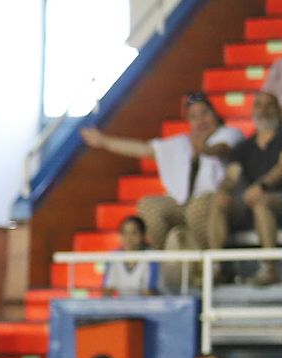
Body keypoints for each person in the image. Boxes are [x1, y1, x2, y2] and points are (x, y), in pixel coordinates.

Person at [82, 93, 242, 250]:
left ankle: (205, 266)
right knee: (148, 205)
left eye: (204, 113)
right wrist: (103, 141)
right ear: (189, 121)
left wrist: (204, 149)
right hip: (183, 204)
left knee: (197, 208)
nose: (201, 120)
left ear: (214, 114)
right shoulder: (181, 142)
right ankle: (165, 262)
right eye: (194, 116)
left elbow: (221, 149)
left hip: (218, 201)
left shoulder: (229, 133)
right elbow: (143, 150)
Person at [212, 91, 282, 285]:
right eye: (258, 105)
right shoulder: (244, 146)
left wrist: (261, 186)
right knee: (220, 201)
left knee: (262, 202)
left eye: (269, 105)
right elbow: (233, 174)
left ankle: (269, 269)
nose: (263, 110)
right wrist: (225, 188)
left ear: (278, 111)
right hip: (252, 200)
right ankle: (216, 268)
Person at [104, 215, 158, 295]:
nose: (128, 238)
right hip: (123, 305)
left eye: (134, 233)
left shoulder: (152, 257)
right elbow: (107, 291)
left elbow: (150, 293)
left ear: (143, 235)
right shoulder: (113, 257)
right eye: (124, 233)